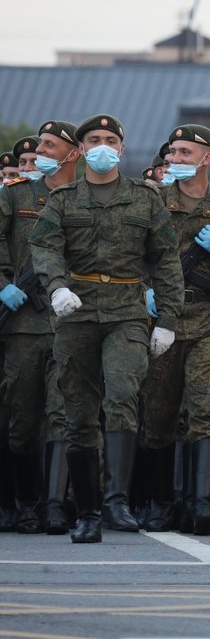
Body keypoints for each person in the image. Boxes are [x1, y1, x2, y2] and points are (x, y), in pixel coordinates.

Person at [28, 113, 184, 543]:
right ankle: (89, 511)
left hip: (126, 313)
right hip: (75, 313)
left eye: (109, 139)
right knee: (78, 411)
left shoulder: (144, 198)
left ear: (121, 148)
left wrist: (168, 319)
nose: (102, 145)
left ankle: (117, 499)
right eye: (93, 139)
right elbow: (44, 248)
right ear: (81, 150)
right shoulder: (63, 200)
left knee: (121, 395)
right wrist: (57, 287)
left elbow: (166, 261)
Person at [140, 124, 210, 535]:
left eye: (185, 153)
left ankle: (201, 502)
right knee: (159, 414)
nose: (175, 160)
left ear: (206, 159)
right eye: (172, 153)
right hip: (162, 320)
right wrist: (144, 293)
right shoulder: (148, 203)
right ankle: (161, 502)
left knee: (204, 409)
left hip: (208, 322)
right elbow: (126, 256)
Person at [0, 120, 79, 534]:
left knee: (61, 414)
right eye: (40, 146)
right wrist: (3, 287)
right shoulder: (14, 197)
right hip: (24, 327)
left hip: (69, 325)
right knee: (21, 419)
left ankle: (53, 505)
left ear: (72, 153)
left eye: (51, 146)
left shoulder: (85, 199)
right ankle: (23, 501)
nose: (42, 152)